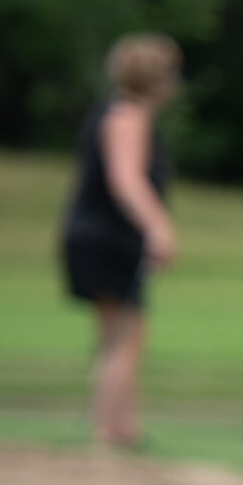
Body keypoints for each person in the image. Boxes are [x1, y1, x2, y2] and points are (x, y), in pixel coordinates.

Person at [60, 34, 181, 450]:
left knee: (116, 336)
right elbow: (126, 181)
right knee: (126, 337)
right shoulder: (130, 116)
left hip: (94, 235)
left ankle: (118, 427)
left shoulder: (110, 110)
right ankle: (113, 432)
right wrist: (159, 227)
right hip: (108, 238)